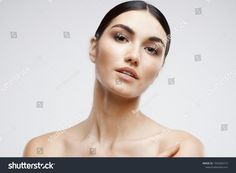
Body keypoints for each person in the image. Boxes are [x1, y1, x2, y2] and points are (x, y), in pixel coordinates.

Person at [23, 0, 204, 157]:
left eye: (151, 49)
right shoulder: (44, 150)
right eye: (121, 37)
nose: (134, 56)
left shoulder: (179, 148)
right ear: (94, 48)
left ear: (159, 69)